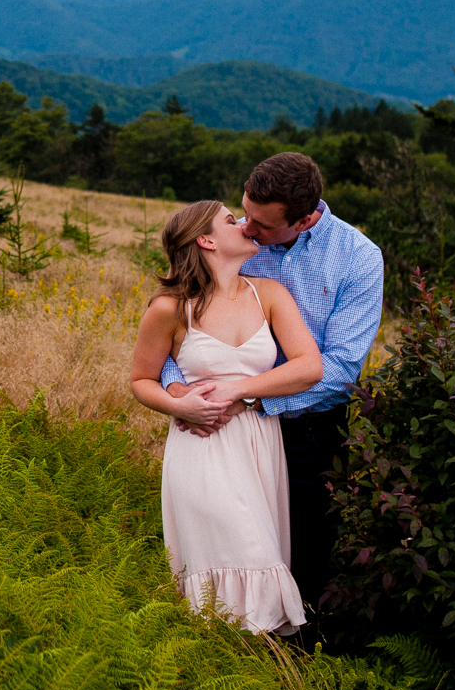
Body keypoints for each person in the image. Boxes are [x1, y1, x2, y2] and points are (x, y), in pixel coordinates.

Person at [160, 152, 385, 614]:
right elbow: (179, 325)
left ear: (302, 220)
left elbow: (340, 367)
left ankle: (292, 663)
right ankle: (216, 644)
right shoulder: (233, 242)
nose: (247, 228)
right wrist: (178, 389)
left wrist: (248, 399)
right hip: (224, 426)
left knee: (301, 551)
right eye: (244, 213)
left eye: (260, 225)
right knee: (227, 541)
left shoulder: (358, 259)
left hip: (308, 429)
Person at [131, 200, 323, 634]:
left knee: (260, 554)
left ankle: (246, 675)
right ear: (207, 239)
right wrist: (179, 405)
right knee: (239, 557)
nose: (245, 225)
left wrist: (239, 390)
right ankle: (216, 666)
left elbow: (309, 367)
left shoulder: (270, 294)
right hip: (201, 447)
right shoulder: (169, 308)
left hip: (258, 445)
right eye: (231, 221)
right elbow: (142, 379)